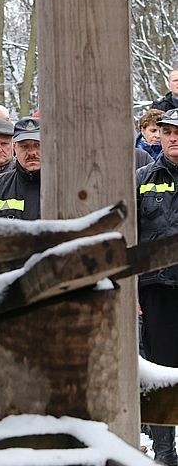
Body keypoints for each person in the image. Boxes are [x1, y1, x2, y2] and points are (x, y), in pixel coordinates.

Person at [137, 108, 178, 466]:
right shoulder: (141, 179)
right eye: (166, 132)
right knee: (161, 372)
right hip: (157, 290)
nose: (172, 137)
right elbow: (128, 238)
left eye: (177, 131)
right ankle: (165, 452)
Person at [0, 116, 41, 220]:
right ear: (14, 147)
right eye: (24, 146)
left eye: (37, 145)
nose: (32, 152)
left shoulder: (65, 188)